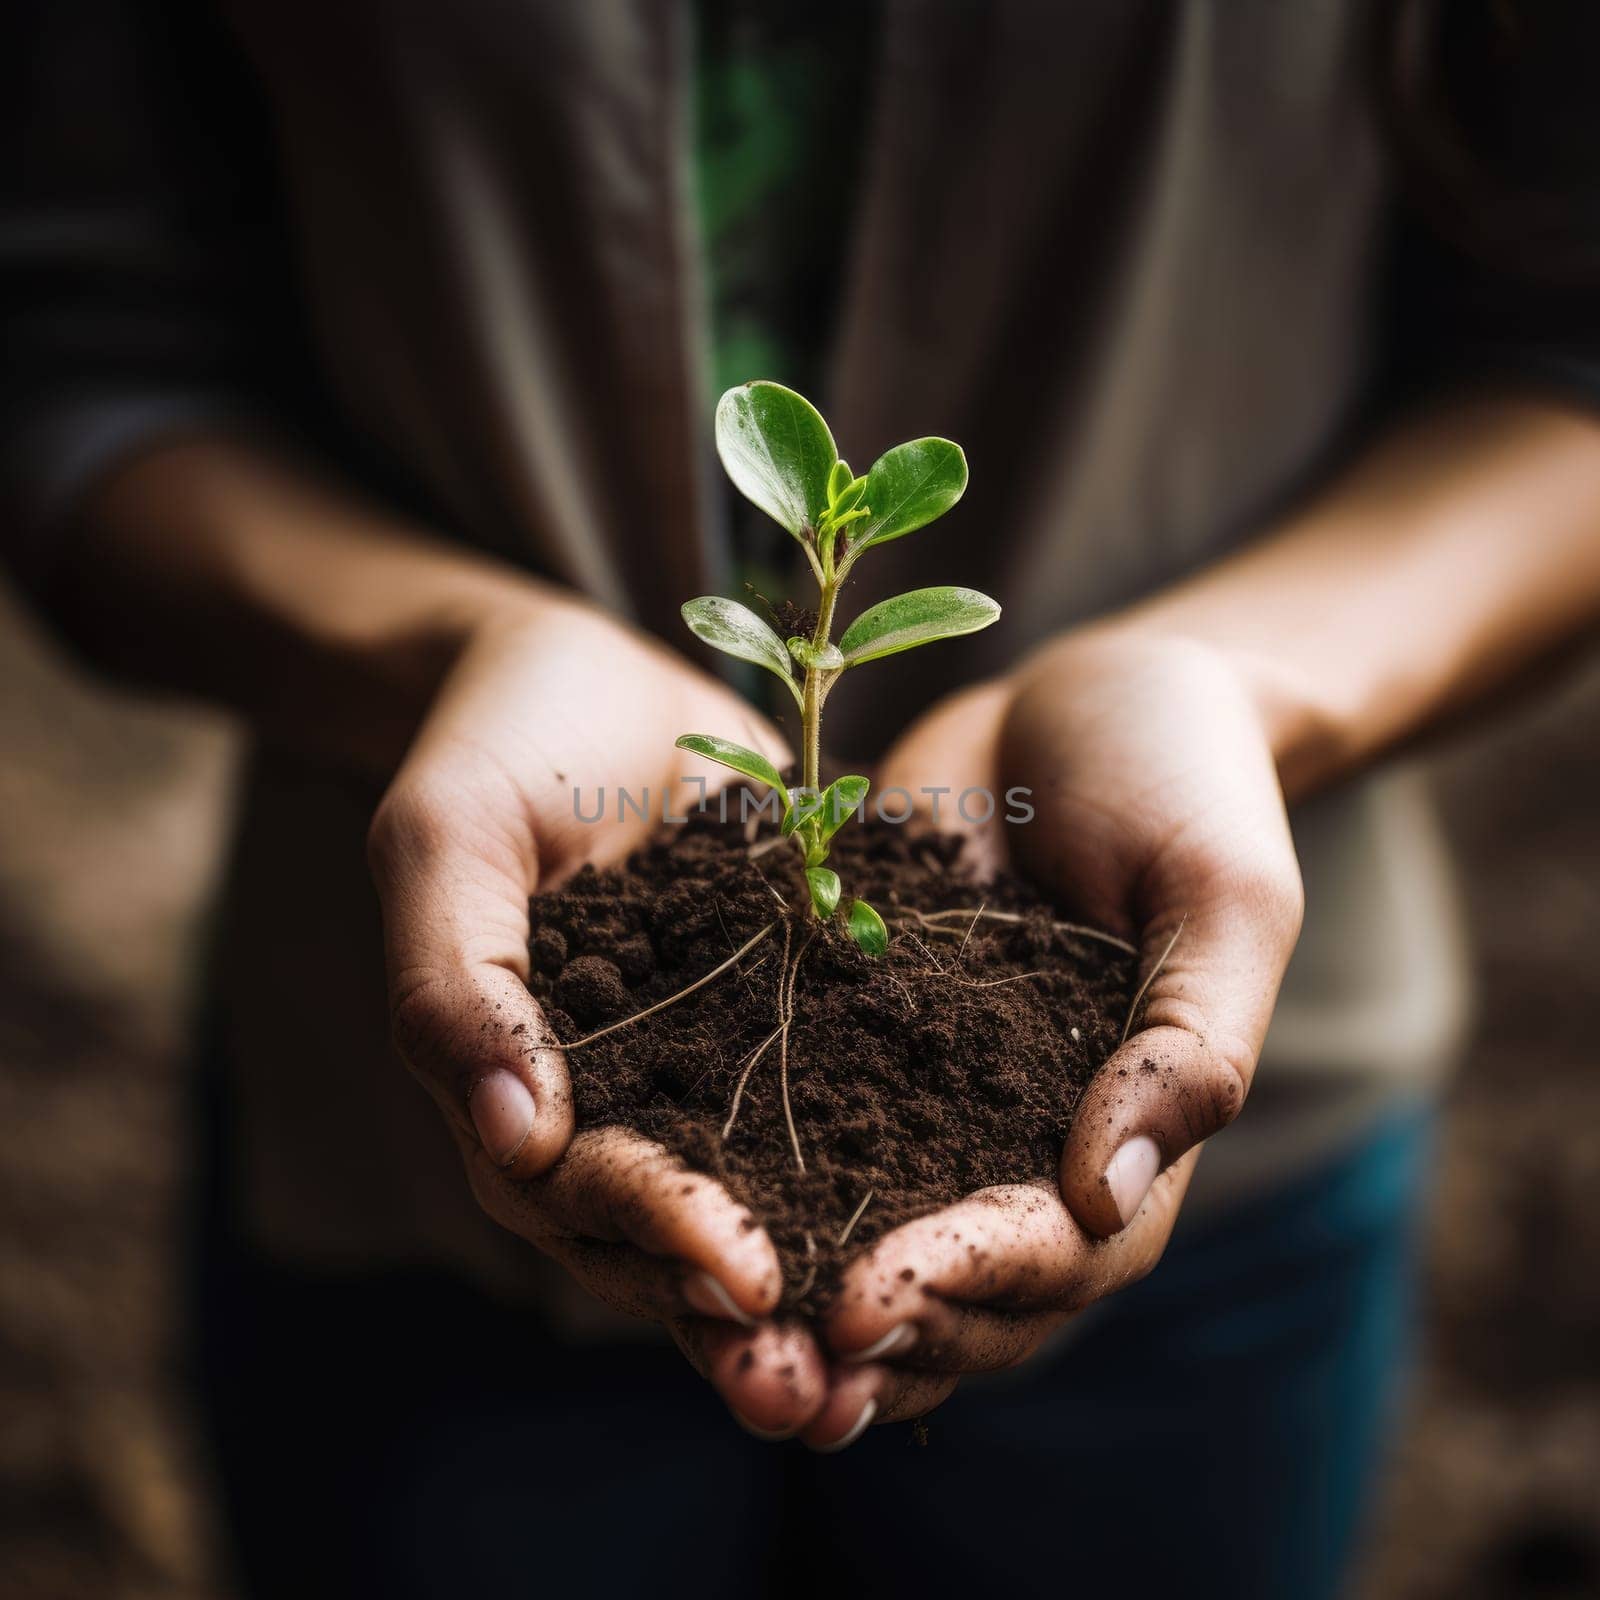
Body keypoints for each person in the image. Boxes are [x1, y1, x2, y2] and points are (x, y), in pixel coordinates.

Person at [5, 2, 1598, 1595]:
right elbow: (85, 357)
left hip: (1235, 1196)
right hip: (392, 1190)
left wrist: (1235, 685)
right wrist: (457, 649)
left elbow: (1560, 353)